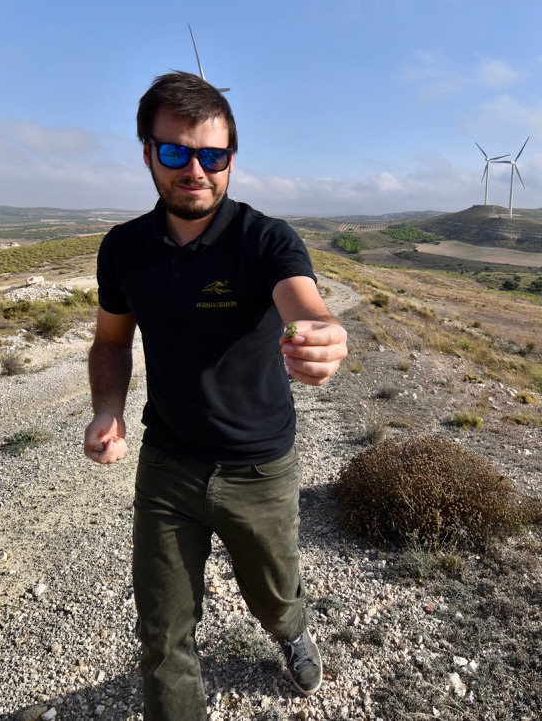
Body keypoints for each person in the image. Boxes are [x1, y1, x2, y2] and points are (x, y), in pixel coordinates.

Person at [82, 71, 348, 720]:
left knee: (272, 593)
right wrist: (108, 409)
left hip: (258, 465)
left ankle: (289, 632)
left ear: (231, 157)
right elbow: (111, 342)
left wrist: (325, 335)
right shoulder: (122, 249)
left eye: (212, 154)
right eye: (175, 152)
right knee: (162, 635)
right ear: (148, 153)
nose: (194, 169)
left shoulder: (265, 239)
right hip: (167, 464)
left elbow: (304, 303)